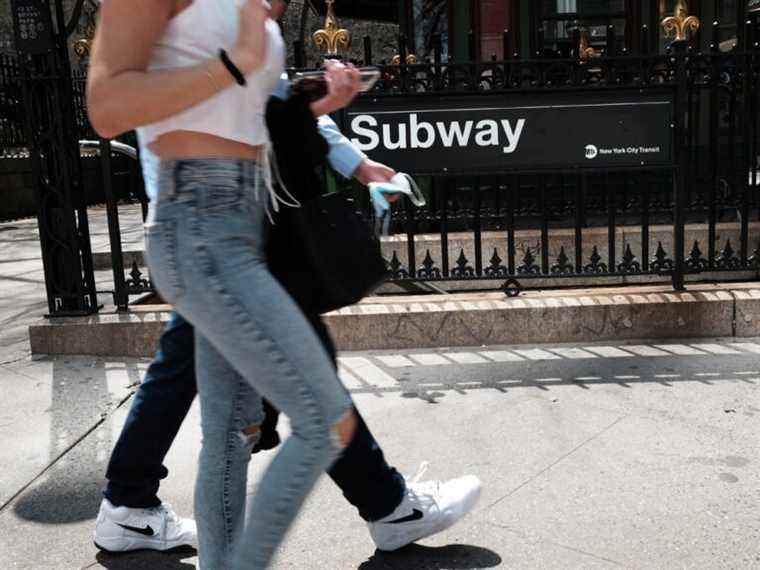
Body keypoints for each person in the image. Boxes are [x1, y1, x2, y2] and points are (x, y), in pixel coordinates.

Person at [87, 0, 480, 567]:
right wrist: (238, 61)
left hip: (243, 223)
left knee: (231, 433)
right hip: (200, 220)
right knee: (321, 420)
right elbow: (106, 106)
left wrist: (325, 107)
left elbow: (258, 111)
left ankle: (147, 513)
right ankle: (387, 509)